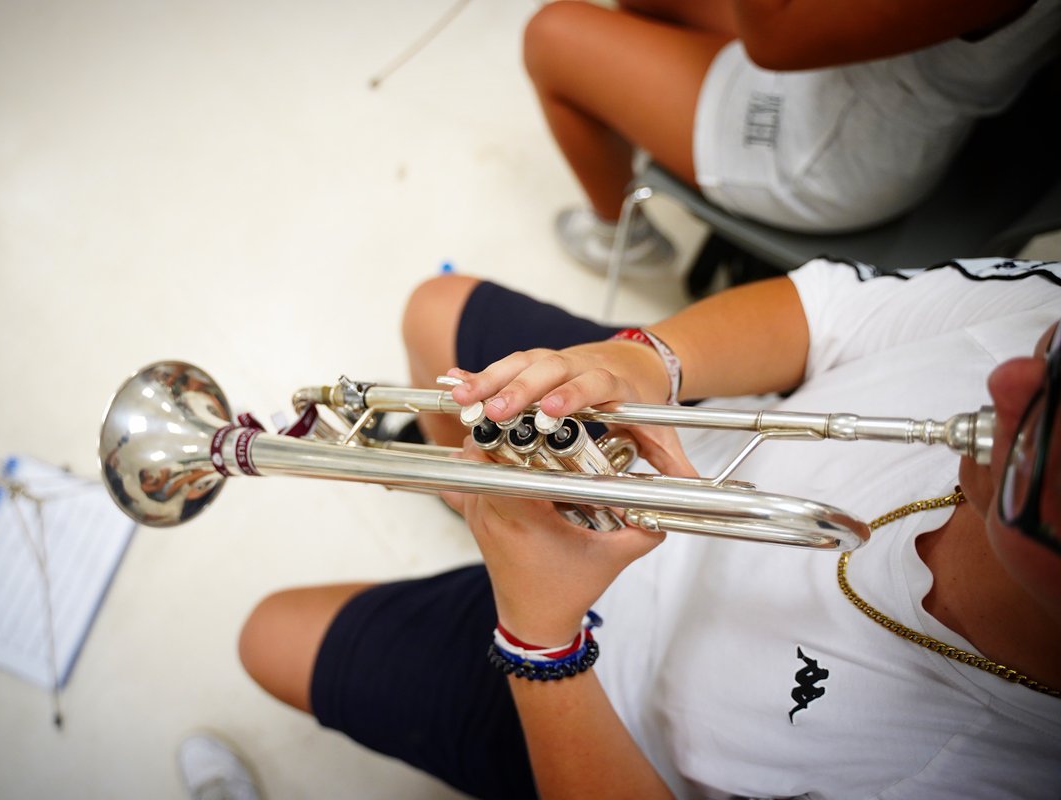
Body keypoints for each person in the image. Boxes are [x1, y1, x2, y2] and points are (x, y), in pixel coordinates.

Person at [238, 257, 1061, 798]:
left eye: (1049, 441)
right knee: (435, 308)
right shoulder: (1042, 327)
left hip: (611, 701)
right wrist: (637, 361)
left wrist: (538, 636)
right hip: (668, 447)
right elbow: (830, 309)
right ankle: (485, 506)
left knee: (267, 637)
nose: (1010, 382)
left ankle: (501, 534)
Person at [525, 0, 1061, 274]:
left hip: (832, 146)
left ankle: (625, 239)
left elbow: (774, 42)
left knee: (550, 36)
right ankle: (653, 98)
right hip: (855, 76)